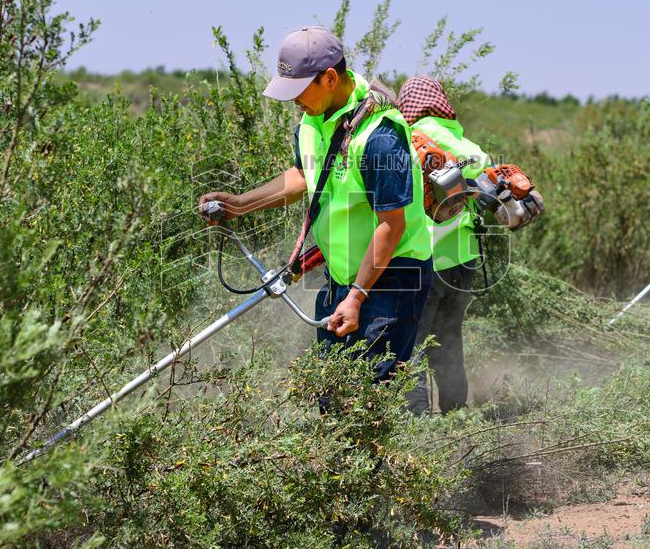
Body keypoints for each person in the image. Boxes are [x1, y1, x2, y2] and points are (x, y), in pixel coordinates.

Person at [198, 26, 432, 382]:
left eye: (299, 90)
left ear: (330, 78)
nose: (294, 101)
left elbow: (392, 225)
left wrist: (356, 297)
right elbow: (304, 174)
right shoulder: (313, 121)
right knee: (330, 391)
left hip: (391, 277)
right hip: (344, 274)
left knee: (369, 395)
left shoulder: (380, 136)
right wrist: (241, 204)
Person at [397, 76, 488, 413]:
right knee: (449, 339)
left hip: (428, 259)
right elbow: (487, 173)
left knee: (413, 342)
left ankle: (416, 419)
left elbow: (477, 158)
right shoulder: (460, 138)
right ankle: (454, 413)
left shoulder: (416, 134)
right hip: (463, 259)